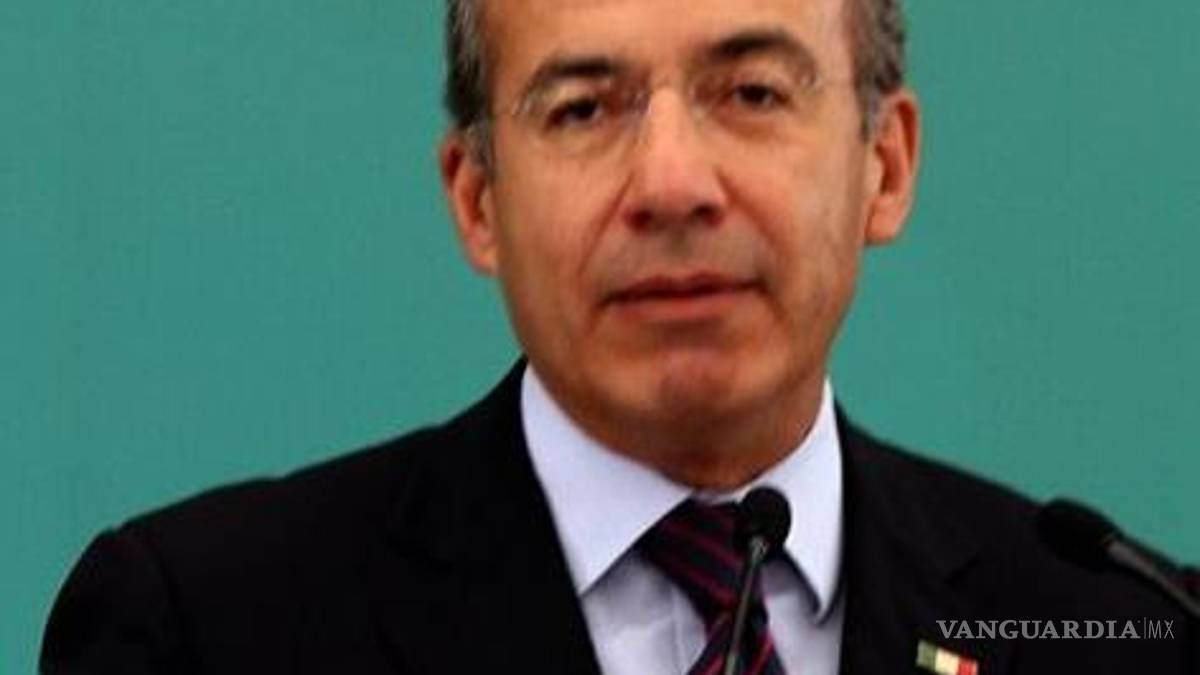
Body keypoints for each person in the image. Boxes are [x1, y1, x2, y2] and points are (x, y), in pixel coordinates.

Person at [40, 0, 1196, 673]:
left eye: (752, 93)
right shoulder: (208, 630)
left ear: (884, 167)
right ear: (477, 200)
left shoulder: (1120, 632)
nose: (673, 184)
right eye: (584, 108)